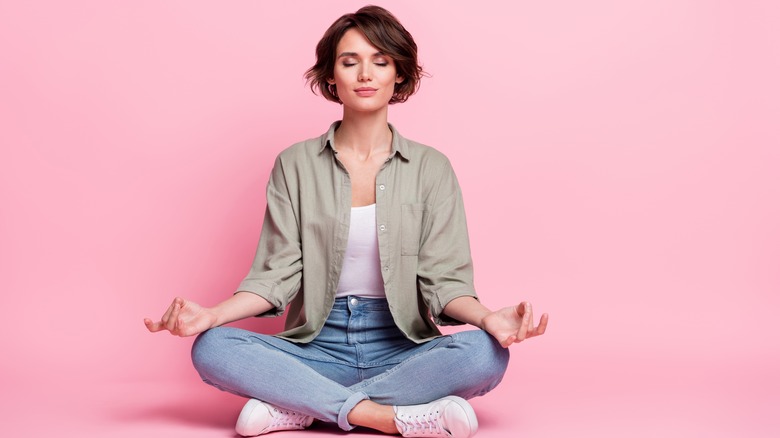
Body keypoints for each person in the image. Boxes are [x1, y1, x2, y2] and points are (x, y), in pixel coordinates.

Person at [144, 5, 548, 438]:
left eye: (381, 61)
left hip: (401, 346)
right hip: (316, 344)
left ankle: (300, 405)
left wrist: (488, 319)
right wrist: (212, 314)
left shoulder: (432, 168)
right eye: (349, 61)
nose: (365, 74)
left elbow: (445, 283)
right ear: (331, 76)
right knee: (213, 347)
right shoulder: (294, 164)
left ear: (399, 75)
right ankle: (387, 416)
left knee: (485, 355)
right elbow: (274, 277)